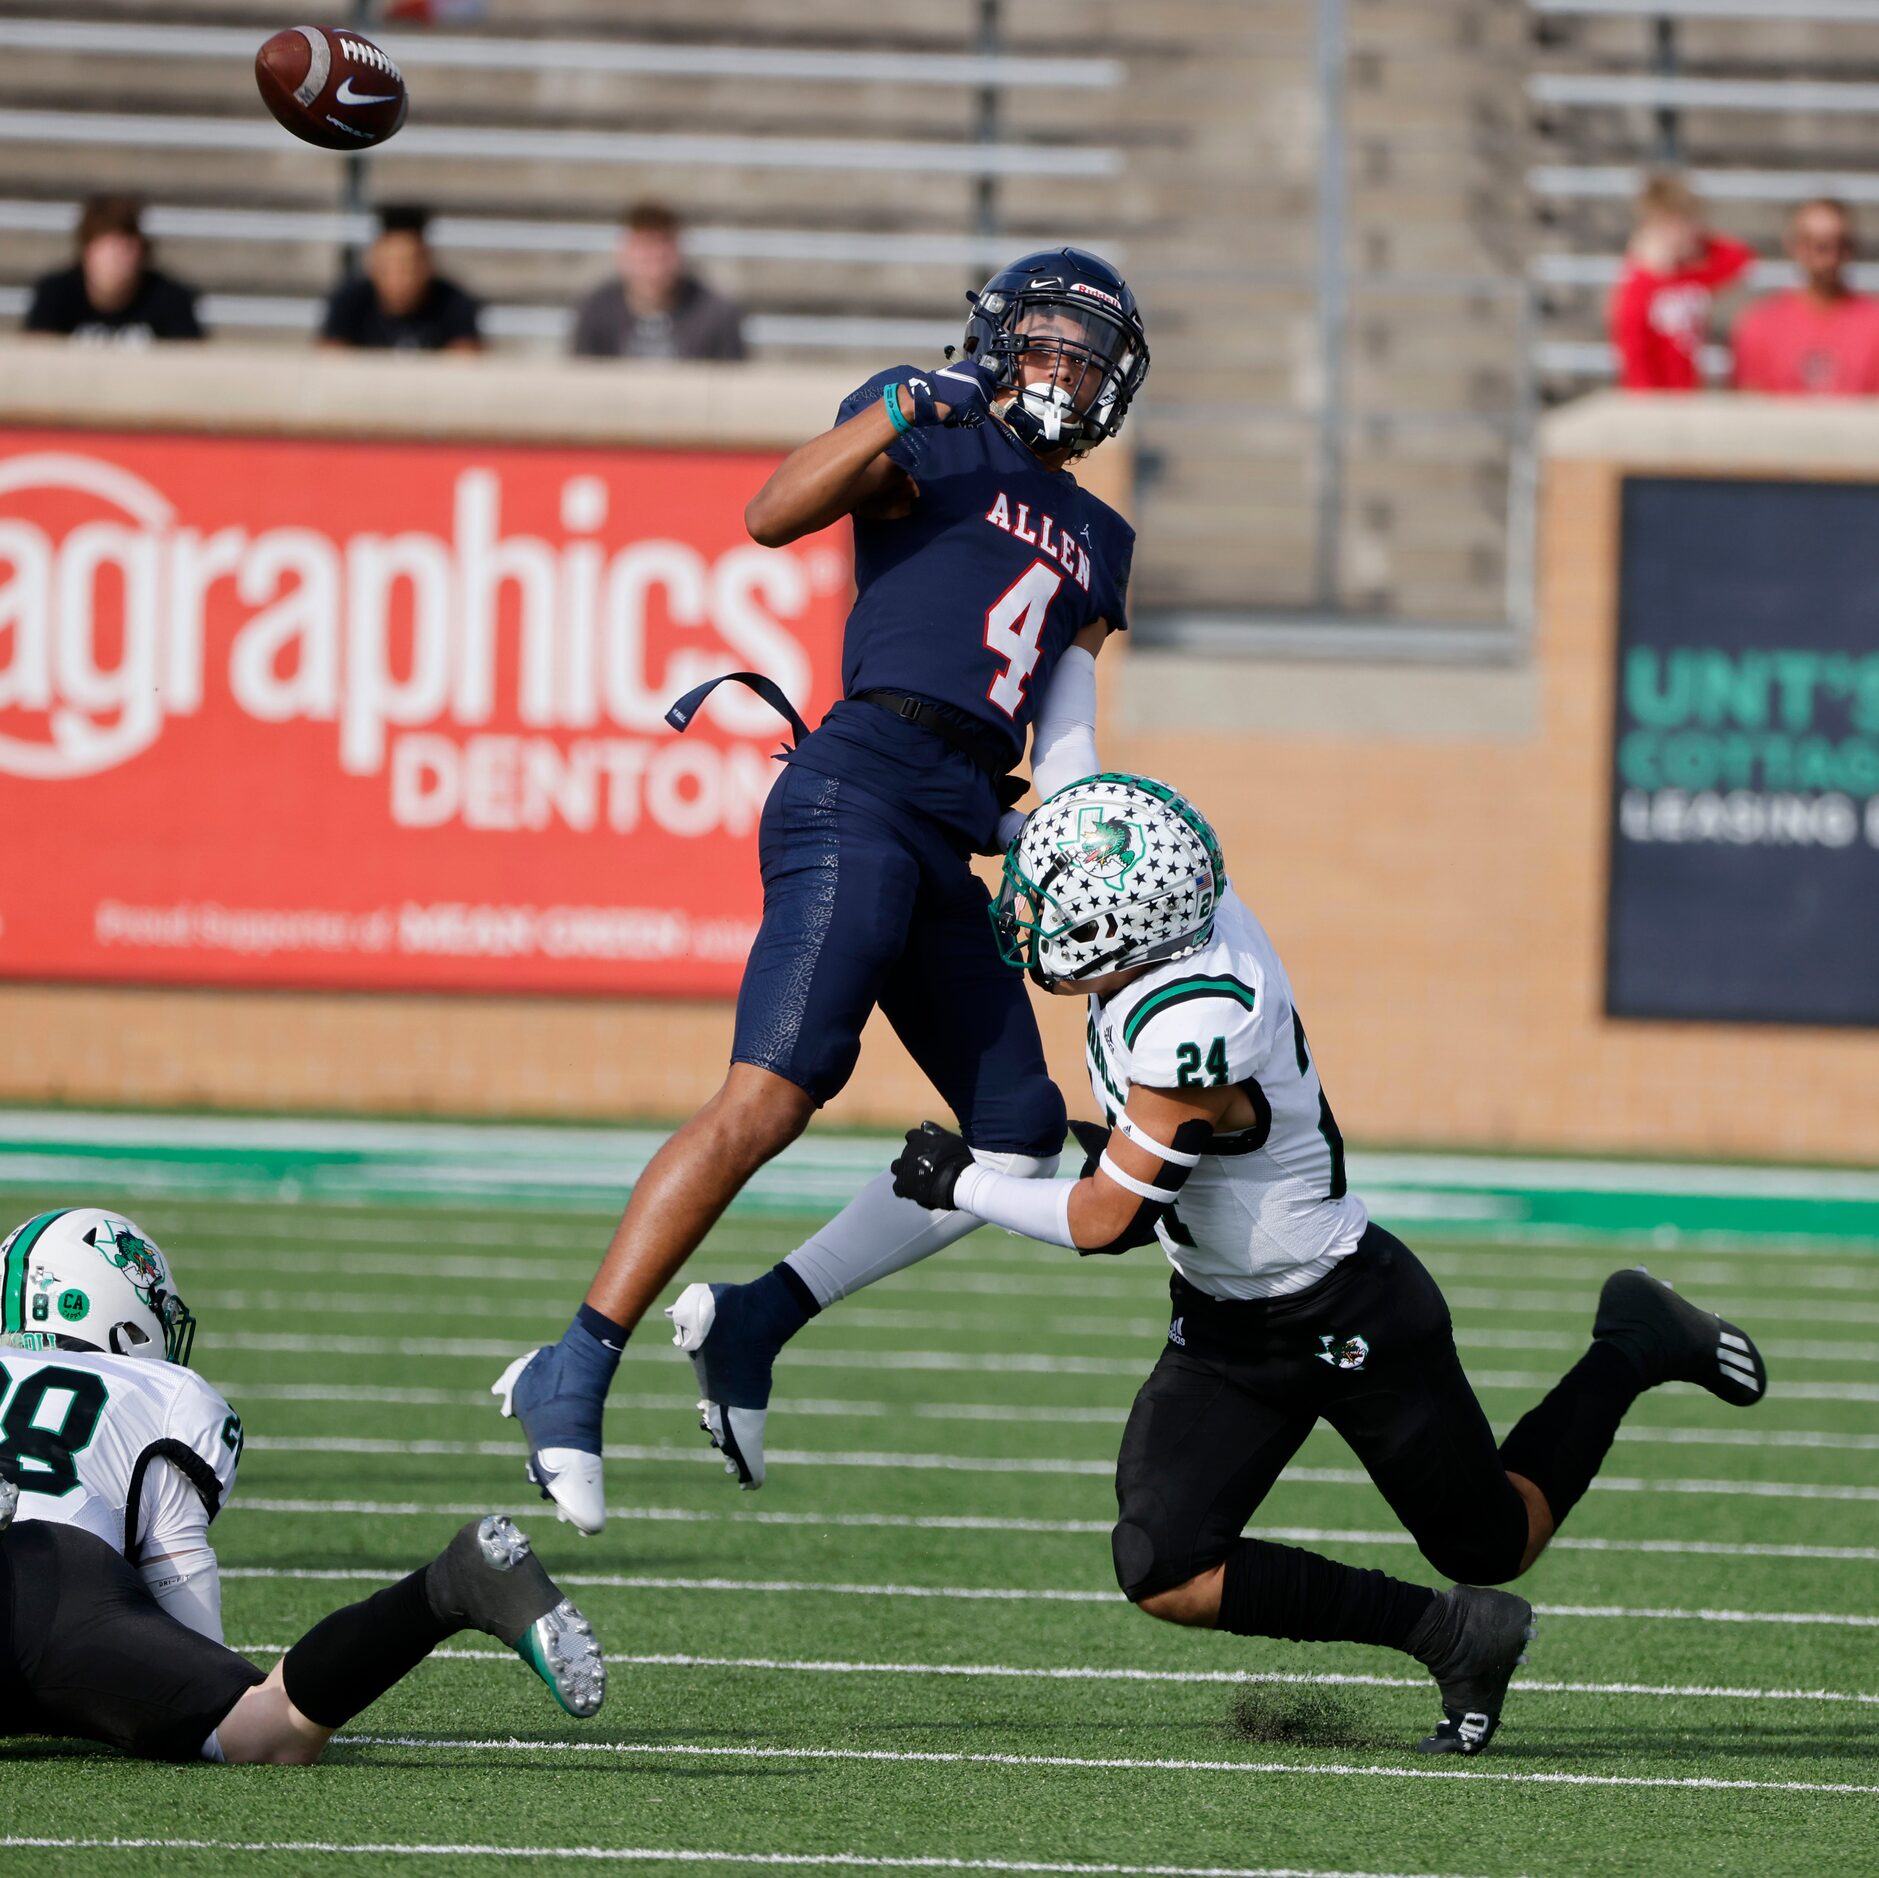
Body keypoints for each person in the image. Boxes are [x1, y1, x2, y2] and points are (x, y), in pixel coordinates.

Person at [888, 772, 1770, 1756]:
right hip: (1227, 1324)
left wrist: (958, 1183)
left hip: (1348, 1307)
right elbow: (1124, 860)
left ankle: (1634, 1341)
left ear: (1130, 934)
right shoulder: (1187, 907)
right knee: (1162, 1566)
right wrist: (985, 816)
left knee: (1494, 1544)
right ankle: (1450, 1633)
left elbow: (1107, 1222)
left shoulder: (1197, 1027)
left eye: (1062, 908)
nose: (1037, 914)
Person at [495, 248, 1149, 1529]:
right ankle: (573, 1366)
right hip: (855, 790)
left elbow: (1060, 723)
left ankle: (754, 1321)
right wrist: (902, 412)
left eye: (1087, 354)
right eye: (1047, 343)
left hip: (958, 818)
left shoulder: (1101, 535)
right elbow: (771, 512)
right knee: (775, 1093)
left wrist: (1066, 828)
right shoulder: (928, 415)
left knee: (1019, 1133)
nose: (1062, 370)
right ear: (1001, 340)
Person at [0, 1206, 603, 1763]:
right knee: (266, 1727)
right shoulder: (164, 1394)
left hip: (42, 1582)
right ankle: (450, 1587)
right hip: (53, 1577)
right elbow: (190, 1627)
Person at [1609, 174, 1755, 391]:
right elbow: (1633, 349)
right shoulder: (1637, 283)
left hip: (1688, 393)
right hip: (1654, 399)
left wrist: (1702, 244)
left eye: (1690, 222)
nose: (1687, 232)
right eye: (1675, 224)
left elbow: (1741, 258)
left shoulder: (1692, 273)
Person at [1732, 198, 1879, 396]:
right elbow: (1751, 405)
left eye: (1839, 244)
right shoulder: (1761, 324)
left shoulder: (1873, 322)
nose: (1829, 257)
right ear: (1795, 246)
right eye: (1817, 245)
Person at [569, 201, 745, 361]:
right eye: (645, 251)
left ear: (679, 253)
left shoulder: (716, 315)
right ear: (624, 253)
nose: (654, 265)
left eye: (663, 251)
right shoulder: (596, 311)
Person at [23, 196, 203, 346]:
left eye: (126, 248)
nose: (118, 260)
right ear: (88, 252)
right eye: (109, 249)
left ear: (141, 251)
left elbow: (191, 361)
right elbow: (37, 357)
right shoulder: (55, 295)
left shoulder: (171, 299)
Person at [319, 205, 482, 353]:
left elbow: (467, 360)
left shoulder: (454, 303)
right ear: (374, 264)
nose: (401, 279)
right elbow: (329, 359)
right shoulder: (348, 302)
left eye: (410, 267)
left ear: (428, 265)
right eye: (390, 267)